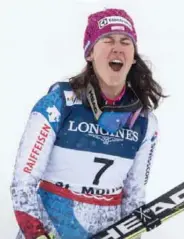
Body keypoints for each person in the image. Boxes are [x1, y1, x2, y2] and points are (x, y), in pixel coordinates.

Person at [10, 8, 165, 239]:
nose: (117, 48)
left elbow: (134, 196)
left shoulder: (143, 121)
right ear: (90, 52)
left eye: (125, 42)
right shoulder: (58, 104)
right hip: (53, 228)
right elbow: (22, 185)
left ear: (133, 57)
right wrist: (38, 235)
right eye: (107, 39)